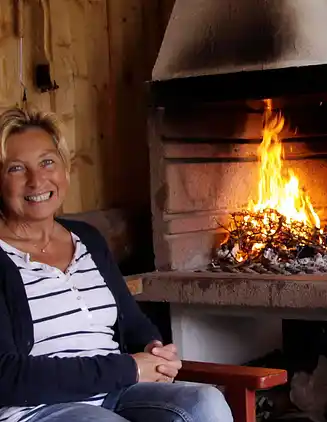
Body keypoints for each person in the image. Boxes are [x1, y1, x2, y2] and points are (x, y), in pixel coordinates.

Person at [0, 107, 233, 422]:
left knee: (204, 401)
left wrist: (153, 349)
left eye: (47, 162)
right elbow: (7, 374)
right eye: (16, 168)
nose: (37, 180)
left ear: (64, 168)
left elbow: (133, 323)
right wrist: (130, 367)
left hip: (117, 390)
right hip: (39, 408)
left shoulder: (86, 239)